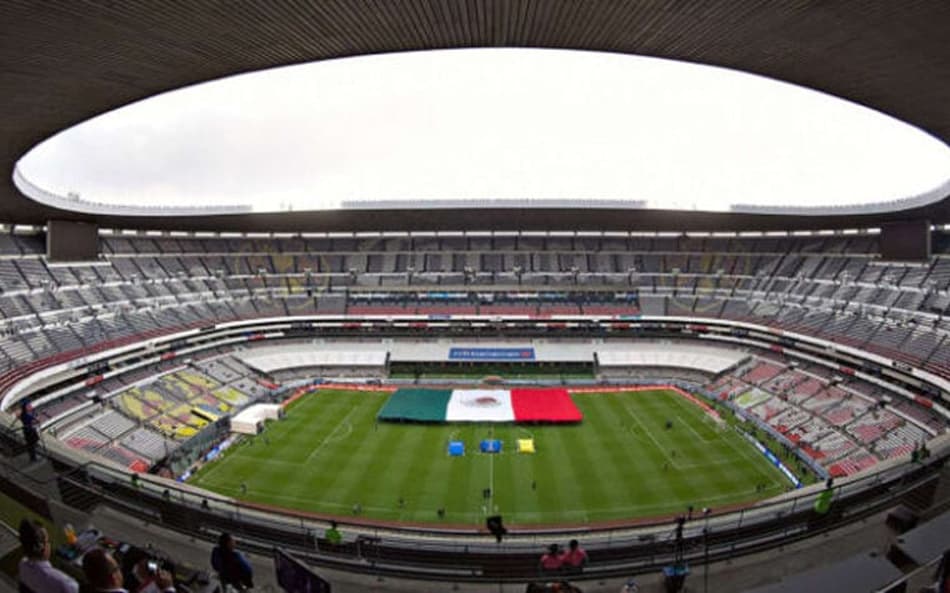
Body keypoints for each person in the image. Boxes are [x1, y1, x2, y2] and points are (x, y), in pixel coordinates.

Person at [16, 519, 79, 593]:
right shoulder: (66, 583)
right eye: (48, 541)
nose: (49, 544)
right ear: (40, 547)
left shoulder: (22, 565)